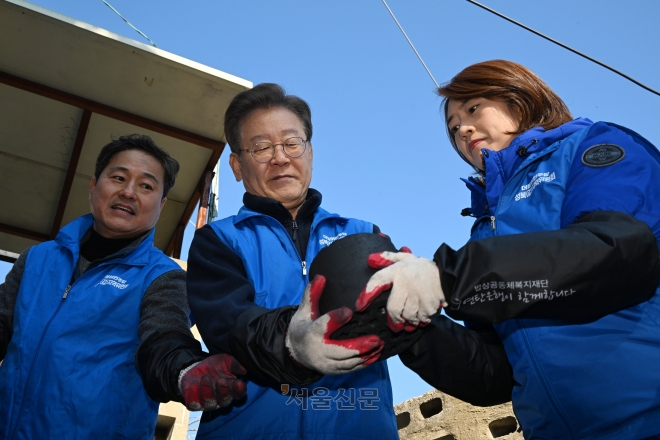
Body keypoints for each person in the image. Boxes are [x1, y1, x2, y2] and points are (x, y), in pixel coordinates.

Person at [358, 60, 660, 439]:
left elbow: (615, 252)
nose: (462, 129)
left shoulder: (594, 147)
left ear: (518, 97)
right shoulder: (484, 232)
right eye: (452, 128)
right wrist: (411, 328)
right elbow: (494, 374)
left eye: (472, 108)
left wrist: (448, 276)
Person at [186, 83, 399, 439]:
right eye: (262, 147)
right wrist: (297, 340)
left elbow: (396, 327)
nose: (280, 157)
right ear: (237, 166)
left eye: (291, 143)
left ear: (310, 153)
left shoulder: (364, 235)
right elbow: (231, 327)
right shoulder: (218, 241)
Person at [0, 135, 246, 439]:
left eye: (146, 186)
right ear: (93, 187)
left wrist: (183, 369)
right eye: (118, 177)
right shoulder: (35, 259)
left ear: (161, 205)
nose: (128, 192)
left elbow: (164, 337)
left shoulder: (164, 277)